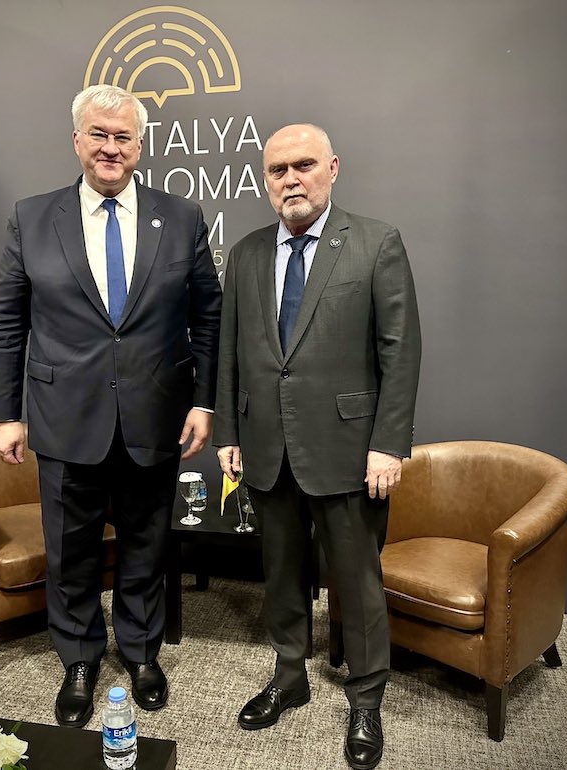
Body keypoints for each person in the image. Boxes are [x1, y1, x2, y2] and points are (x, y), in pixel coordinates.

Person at [0, 85, 222, 729]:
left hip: (157, 413)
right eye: (99, 134)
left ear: (140, 146)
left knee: (148, 542)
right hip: (64, 416)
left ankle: (142, 652)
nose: (110, 147)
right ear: (77, 140)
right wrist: (6, 415)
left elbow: (209, 316)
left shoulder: (182, 217)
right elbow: (7, 322)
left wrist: (204, 401)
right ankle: (80, 659)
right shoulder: (33, 218)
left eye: (123, 137)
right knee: (71, 550)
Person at [214, 124, 421, 770]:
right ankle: (289, 675)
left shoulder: (375, 243)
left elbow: (400, 353)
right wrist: (228, 434)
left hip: (350, 450)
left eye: (302, 165)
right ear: (265, 180)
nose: (290, 180)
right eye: (277, 170)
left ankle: (366, 697)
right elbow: (229, 352)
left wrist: (388, 444)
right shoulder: (246, 253)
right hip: (266, 446)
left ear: (332, 168)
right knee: (280, 572)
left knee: (356, 583)